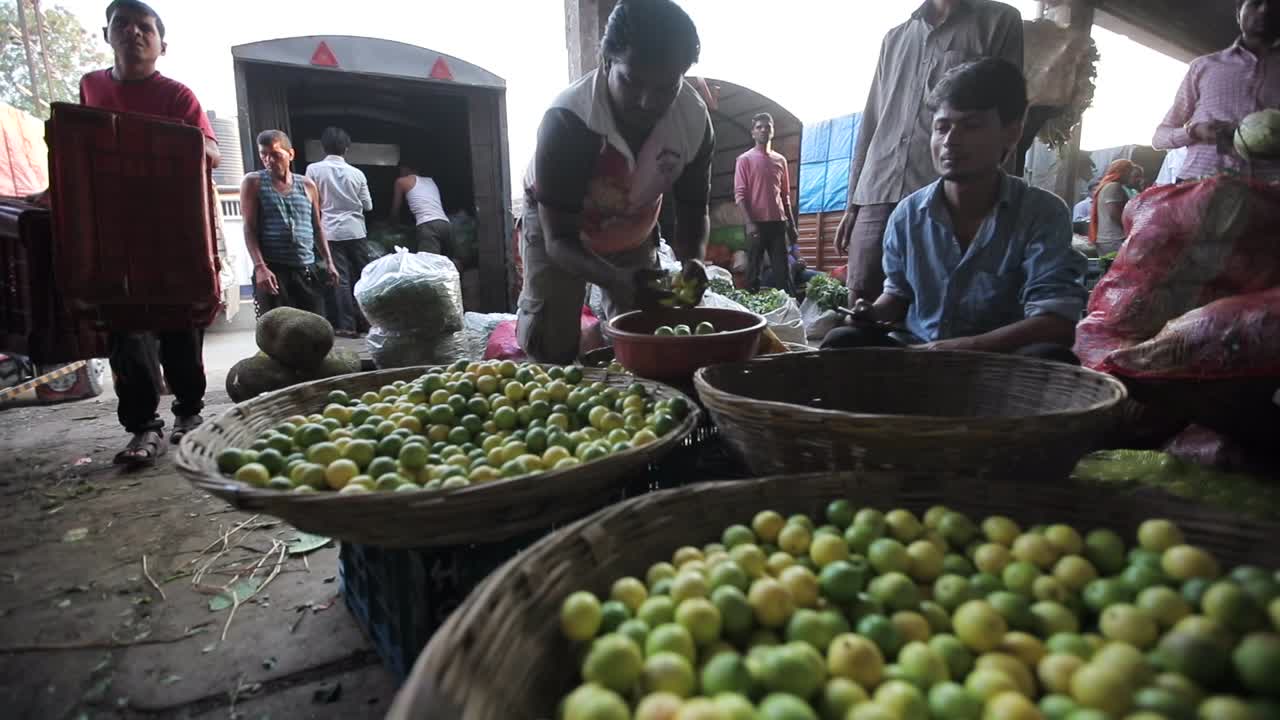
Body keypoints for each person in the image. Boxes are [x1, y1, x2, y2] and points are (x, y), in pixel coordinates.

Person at [822, 58, 1087, 364]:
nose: (950, 141)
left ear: (1011, 133)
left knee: (1053, 356)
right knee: (843, 340)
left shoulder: (1042, 213)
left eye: (971, 126)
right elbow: (897, 295)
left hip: (999, 364)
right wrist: (871, 313)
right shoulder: (907, 214)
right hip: (917, 358)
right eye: (942, 127)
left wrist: (962, 348)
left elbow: (1056, 323)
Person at [516, 0, 713, 364]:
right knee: (552, 342)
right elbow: (559, 240)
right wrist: (617, 279)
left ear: (682, 75)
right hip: (560, 229)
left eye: (665, 87)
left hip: (633, 220)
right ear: (606, 61)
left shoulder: (694, 122)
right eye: (632, 82)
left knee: (647, 333)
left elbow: (693, 209)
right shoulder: (569, 121)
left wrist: (694, 260)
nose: (647, 101)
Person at [78, 0, 221, 464]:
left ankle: (189, 413)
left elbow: (212, 152)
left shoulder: (178, 96)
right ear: (107, 35)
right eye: (122, 24)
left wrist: (159, 143)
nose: (134, 33)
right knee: (126, 329)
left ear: (162, 44)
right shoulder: (90, 86)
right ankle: (143, 428)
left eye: (145, 27)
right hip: (113, 233)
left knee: (179, 323)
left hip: (170, 229)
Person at [832, 0, 1024, 306]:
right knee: (862, 297)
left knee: (936, 301)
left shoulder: (999, 21)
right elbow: (872, 118)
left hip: (945, 191)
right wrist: (853, 203)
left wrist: (1000, 201)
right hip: (878, 189)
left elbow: (1009, 112)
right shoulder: (895, 38)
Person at [1153, 0, 1280, 183]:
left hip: (1269, 192)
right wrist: (1194, 132)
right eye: (1255, 2)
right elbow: (1159, 138)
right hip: (1198, 187)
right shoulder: (1204, 66)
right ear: (1238, 13)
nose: (1264, 9)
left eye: (1275, 3)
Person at [240, 129, 339, 317]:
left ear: (290, 154)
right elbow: (249, 228)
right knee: (277, 328)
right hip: (273, 271)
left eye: (275, 155)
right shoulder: (253, 182)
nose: (269, 160)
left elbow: (317, 228)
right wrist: (260, 267)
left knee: (313, 325)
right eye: (264, 154)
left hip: (306, 269)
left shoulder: (308, 185)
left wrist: (329, 261)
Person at [305, 126, 373, 337]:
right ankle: (370, 323)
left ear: (323, 147)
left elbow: (310, 202)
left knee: (340, 280)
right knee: (365, 277)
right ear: (347, 148)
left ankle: (348, 326)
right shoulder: (357, 174)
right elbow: (368, 205)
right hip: (356, 231)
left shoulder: (313, 170)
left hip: (330, 232)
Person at [734, 112, 798, 294]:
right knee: (753, 272)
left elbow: (785, 196)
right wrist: (749, 223)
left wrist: (791, 225)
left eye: (767, 127)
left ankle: (789, 306)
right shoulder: (744, 160)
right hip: (756, 224)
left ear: (773, 131)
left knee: (783, 272)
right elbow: (740, 195)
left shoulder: (781, 160)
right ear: (753, 133)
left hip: (778, 224)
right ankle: (749, 308)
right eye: (759, 127)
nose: (763, 130)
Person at [390, 162, 455, 265]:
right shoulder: (430, 181)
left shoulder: (401, 181)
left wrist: (392, 224)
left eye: (401, 169)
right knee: (449, 263)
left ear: (405, 169)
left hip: (428, 225)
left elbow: (396, 208)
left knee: (428, 265)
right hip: (445, 224)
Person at [1090, 159, 1145, 256]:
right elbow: (1114, 213)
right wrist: (1131, 230)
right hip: (1114, 239)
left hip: (1108, 239)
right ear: (1123, 172)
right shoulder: (1114, 186)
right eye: (1130, 171)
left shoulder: (1108, 185)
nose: (1130, 175)